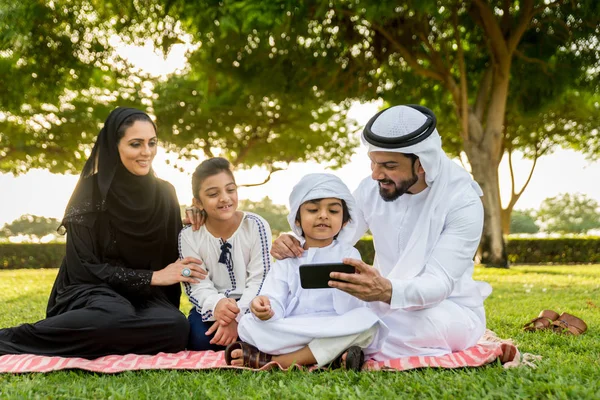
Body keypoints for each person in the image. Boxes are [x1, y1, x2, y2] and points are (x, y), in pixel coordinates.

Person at [271, 105, 492, 360]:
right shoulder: (371, 189)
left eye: (388, 165)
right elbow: (334, 237)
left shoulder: (462, 201)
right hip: (377, 303)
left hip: (445, 309)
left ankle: (299, 356)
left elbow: (438, 284)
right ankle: (346, 350)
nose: (376, 174)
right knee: (327, 314)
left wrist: (386, 290)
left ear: (421, 164)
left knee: (407, 327)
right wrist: (294, 241)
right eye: (373, 163)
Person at [0, 107, 207, 358]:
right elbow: (83, 266)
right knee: (113, 315)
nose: (147, 152)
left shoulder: (165, 193)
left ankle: (97, 338)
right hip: (90, 292)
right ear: (114, 145)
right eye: (135, 144)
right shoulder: (91, 192)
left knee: (175, 327)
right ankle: (9, 340)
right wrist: (152, 277)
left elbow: (173, 252)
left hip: (143, 298)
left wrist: (200, 221)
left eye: (152, 143)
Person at [226, 173, 387, 370]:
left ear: (344, 221)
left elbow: (355, 306)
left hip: (335, 324)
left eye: (334, 211)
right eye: (312, 209)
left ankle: (281, 361)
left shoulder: (349, 254)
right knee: (248, 324)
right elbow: (273, 297)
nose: (323, 215)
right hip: (294, 327)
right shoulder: (287, 258)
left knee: (368, 323)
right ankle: (332, 357)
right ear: (298, 220)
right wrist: (264, 308)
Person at [179, 157, 272, 351]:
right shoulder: (189, 235)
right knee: (199, 339)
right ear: (198, 202)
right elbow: (197, 285)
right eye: (213, 194)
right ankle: (240, 340)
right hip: (213, 308)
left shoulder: (255, 225)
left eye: (230, 190)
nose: (224, 198)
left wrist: (237, 318)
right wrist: (218, 305)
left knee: (269, 332)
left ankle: (243, 336)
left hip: (253, 305)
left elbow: (260, 279)